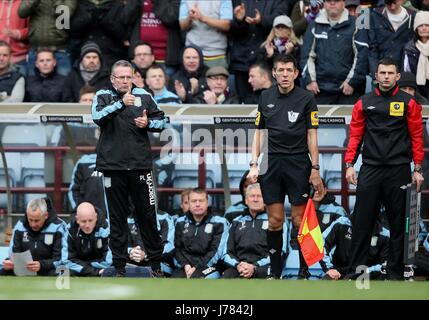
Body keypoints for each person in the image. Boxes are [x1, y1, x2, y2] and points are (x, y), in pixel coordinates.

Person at [344, 57, 424, 280]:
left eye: (390, 73)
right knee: (362, 223)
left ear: (397, 76)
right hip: (370, 169)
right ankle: (356, 273)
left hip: (399, 170)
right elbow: (356, 135)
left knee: (399, 224)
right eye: (382, 73)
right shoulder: (364, 102)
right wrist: (350, 164)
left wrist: (417, 169)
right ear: (376, 76)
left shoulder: (409, 103)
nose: (386, 76)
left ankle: (396, 274)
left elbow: (417, 137)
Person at [248, 54, 323, 279]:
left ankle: (303, 270)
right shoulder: (265, 96)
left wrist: (315, 168)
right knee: (275, 221)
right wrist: (254, 164)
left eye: (289, 70)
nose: (285, 74)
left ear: (296, 73)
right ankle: (276, 271)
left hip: (298, 162)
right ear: (274, 72)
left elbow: (312, 135)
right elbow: (259, 133)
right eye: (280, 70)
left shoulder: (307, 98)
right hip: (270, 163)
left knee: (299, 220)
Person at [92, 59, 166, 277]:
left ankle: (156, 267)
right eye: (121, 77)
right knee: (116, 218)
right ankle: (119, 267)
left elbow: (162, 120)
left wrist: (148, 124)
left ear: (133, 76)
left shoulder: (144, 95)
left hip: (140, 167)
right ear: (113, 78)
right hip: (112, 167)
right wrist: (121, 103)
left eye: (128, 76)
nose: (125, 81)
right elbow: (97, 118)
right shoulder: (102, 95)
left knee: (148, 217)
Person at [300, 0, 368, 104]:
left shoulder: (357, 25)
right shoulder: (314, 25)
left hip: (348, 90)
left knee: (350, 120)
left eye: (336, 0)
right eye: (328, 1)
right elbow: (306, 56)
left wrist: (352, 82)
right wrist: (310, 80)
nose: (332, 3)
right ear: (324, 3)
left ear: (343, 3)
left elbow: (361, 56)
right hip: (319, 90)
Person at [223, 183, 289, 279]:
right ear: (246, 200)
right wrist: (238, 265)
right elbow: (227, 252)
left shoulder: (276, 222)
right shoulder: (235, 222)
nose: (255, 199)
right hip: (239, 266)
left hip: (265, 267)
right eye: (252, 196)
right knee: (226, 276)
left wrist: (255, 266)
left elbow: (280, 251)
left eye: (259, 196)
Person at [229, 0, 288, 102]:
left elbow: (281, 20)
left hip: (264, 62)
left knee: (269, 102)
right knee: (243, 103)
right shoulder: (239, 1)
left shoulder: (278, 2)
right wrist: (240, 20)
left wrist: (262, 20)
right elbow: (231, 29)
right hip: (242, 62)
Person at [0, 198, 67, 276]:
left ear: (46, 215)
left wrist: (41, 265)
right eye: (30, 220)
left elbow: (61, 258)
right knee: (3, 271)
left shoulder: (59, 227)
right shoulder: (20, 226)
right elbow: (14, 252)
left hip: (49, 269)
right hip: (23, 269)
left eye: (37, 220)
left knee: (63, 272)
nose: (33, 224)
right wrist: (10, 262)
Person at [172, 188, 229, 279]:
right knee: (176, 279)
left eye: (201, 201)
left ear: (207, 203)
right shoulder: (179, 222)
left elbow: (216, 251)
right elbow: (177, 248)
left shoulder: (220, 223)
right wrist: (185, 265)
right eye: (194, 201)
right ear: (189, 203)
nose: (197, 204)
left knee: (197, 277)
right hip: (185, 266)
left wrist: (196, 267)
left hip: (210, 266)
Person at [321, 213, 389, 280]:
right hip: (339, 273)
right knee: (327, 281)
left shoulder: (385, 234)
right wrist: (329, 268)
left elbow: (385, 263)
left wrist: (359, 274)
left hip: (367, 276)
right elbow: (321, 243)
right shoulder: (342, 222)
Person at [18, 0, 77, 76]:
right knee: (32, 84)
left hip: (59, 49)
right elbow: (22, 13)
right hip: (36, 49)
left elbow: (65, 14)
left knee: (64, 84)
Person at [368, 0, 415, 79]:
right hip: (381, 71)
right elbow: (372, 48)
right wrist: (375, 74)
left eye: (395, 3)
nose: (392, 7)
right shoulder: (374, 16)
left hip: (403, 72)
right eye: (389, 3)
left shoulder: (412, 16)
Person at [179, 0, 233, 69]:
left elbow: (227, 25)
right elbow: (182, 26)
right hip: (192, 53)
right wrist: (189, 18)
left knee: (216, 79)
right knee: (192, 80)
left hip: (215, 53)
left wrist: (202, 18)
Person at [65, 202, 112, 277]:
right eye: (83, 221)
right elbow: (68, 260)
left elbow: (108, 261)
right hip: (89, 269)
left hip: (101, 268)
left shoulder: (107, 227)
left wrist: (84, 265)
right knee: (64, 271)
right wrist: (94, 271)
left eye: (90, 220)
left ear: (96, 217)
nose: (87, 225)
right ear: (77, 219)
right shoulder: (69, 230)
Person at [127, 211, 175, 276]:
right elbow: (123, 245)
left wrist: (146, 255)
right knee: (113, 271)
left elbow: (170, 247)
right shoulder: (129, 219)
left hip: (159, 264)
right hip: (132, 263)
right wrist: (131, 252)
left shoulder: (165, 218)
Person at [402, 10, 429, 100]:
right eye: (420, 25)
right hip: (417, 90)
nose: (424, 28)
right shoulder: (410, 48)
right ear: (416, 28)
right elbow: (407, 71)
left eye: (427, 25)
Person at [0, 0, 29, 74]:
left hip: (19, 59)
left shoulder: (25, 4)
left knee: (20, 84)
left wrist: (18, 33)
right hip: (1, 57)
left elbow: (33, 29)